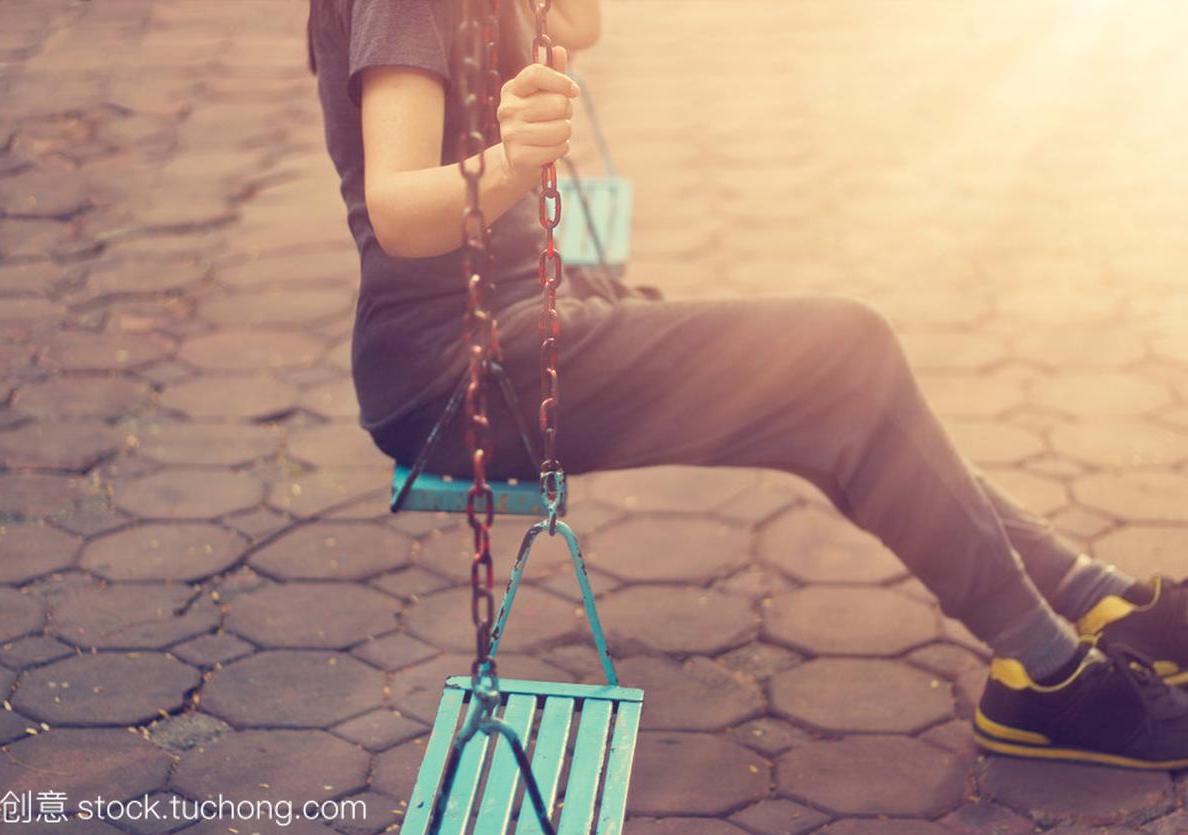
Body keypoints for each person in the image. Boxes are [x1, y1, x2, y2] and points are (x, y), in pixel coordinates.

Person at [308, 0, 1188, 768]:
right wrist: (507, 163)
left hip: (535, 317)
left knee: (827, 399)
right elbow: (396, 213)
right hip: (463, 370)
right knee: (844, 347)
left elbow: (578, 21)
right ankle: (1046, 675)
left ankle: (1082, 596)